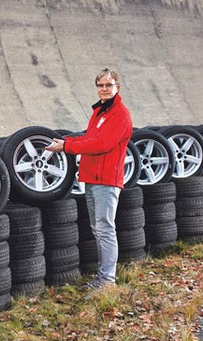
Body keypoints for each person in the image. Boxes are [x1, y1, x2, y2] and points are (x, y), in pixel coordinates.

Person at [46, 68, 133, 289]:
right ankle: (102, 278)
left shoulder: (120, 114)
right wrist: (67, 140)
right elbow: (90, 138)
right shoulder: (99, 112)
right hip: (92, 178)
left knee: (105, 229)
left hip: (107, 181)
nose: (104, 89)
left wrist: (66, 146)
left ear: (117, 87)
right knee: (98, 229)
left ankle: (107, 281)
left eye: (108, 85)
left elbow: (101, 144)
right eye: (100, 85)